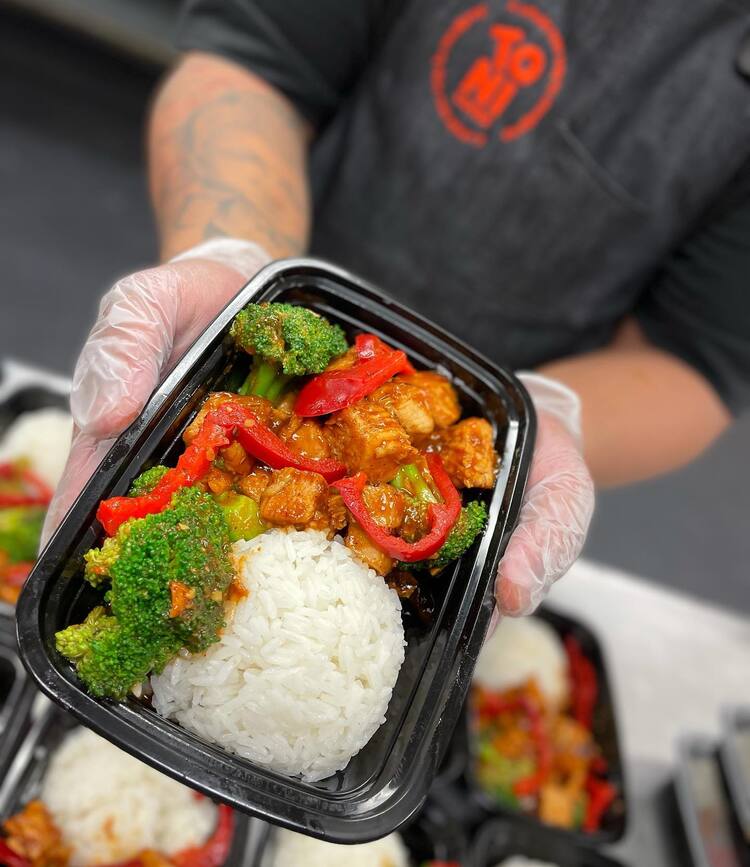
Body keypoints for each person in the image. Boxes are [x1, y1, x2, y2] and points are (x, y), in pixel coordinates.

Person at [45, 0, 750, 618]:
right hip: (293, 281)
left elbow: (701, 356)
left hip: (509, 398)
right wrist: (235, 259)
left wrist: (551, 417)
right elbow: (253, 63)